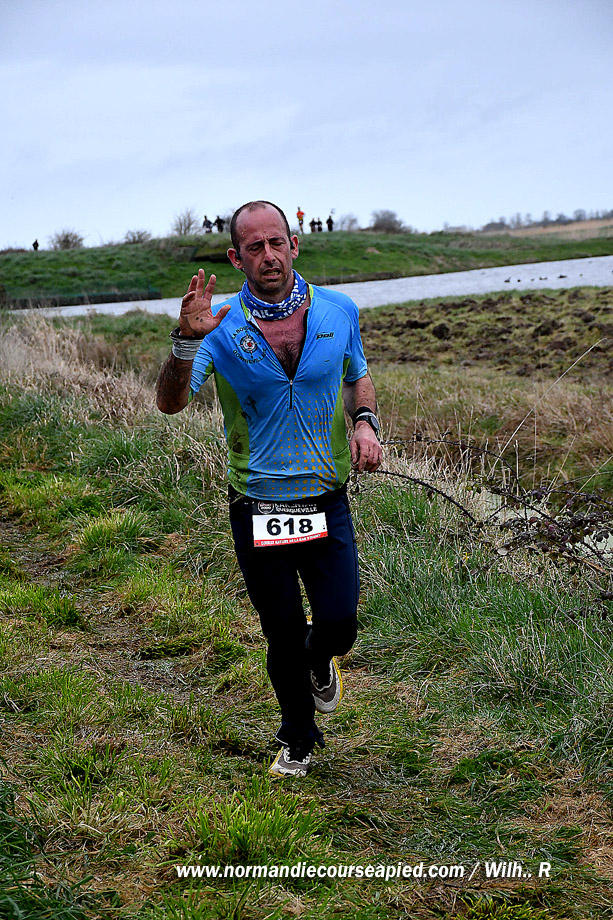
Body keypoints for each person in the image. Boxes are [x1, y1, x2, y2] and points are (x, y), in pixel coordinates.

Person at [156, 201, 382, 777]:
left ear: (294, 245)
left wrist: (365, 423)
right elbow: (170, 402)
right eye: (254, 247)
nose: (268, 255)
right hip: (256, 502)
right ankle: (297, 739)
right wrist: (184, 341)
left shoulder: (338, 310)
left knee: (339, 625)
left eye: (276, 242)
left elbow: (357, 375)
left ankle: (319, 658)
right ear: (237, 259)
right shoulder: (218, 326)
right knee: (280, 630)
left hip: (326, 497)